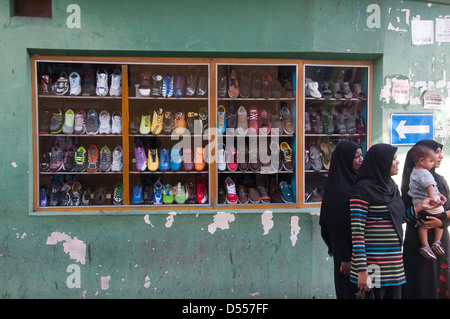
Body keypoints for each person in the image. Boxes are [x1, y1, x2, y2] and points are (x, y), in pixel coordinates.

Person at [349, 143, 438, 299]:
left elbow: (398, 219)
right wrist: (362, 271)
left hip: (394, 266)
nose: (397, 163)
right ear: (382, 162)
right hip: (372, 266)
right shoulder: (362, 191)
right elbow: (357, 232)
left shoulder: (391, 187)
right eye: (394, 159)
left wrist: (420, 206)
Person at [401, 139, 450, 299]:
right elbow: (402, 215)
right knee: (421, 285)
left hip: (440, 240)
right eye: (437, 152)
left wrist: (441, 221)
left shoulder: (440, 181)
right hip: (417, 242)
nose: (440, 156)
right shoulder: (410, 183)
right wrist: (419, 210)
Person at [320, 141, 364, 299]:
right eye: (356, 157)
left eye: (361, 155)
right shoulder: (338, 190)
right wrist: (345, 258)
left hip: (360, 252)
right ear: (345, 160)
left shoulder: (355, 181)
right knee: (349, 291)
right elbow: (336, 226)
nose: (361, 160)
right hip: (347, 255)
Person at [407, 144, 446, 260]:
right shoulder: (426, 173)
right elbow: (430, 186)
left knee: (422, 225)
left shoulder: (413, 173)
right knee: (440, 216)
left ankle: (425, 245)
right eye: (431, 160)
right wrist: (434, 199)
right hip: (431, 206)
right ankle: (437, 241)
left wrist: (438, 194)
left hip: (420, 207)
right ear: (421, 160)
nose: (434, 162)